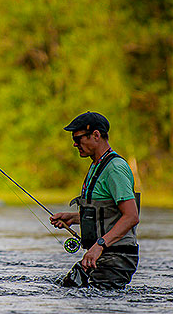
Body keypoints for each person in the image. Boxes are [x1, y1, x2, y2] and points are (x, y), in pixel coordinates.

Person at [49, 111, 140, 288]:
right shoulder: (97, 165)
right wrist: (74, 218)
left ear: (96, 135)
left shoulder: (115, 168)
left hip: (116, 258)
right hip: (102, 254)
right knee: (67, 287)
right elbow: (107, 211)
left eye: (79, 138)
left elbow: (131, 216)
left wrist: (99, 245)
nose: (75, 144)